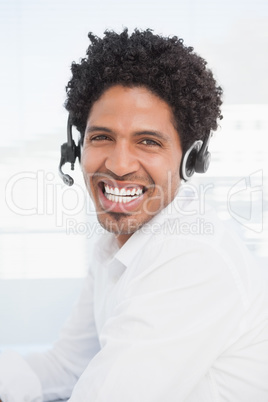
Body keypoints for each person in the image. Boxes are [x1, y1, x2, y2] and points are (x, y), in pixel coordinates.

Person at [0, 28, 267, 402]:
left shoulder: (194, 258)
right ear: (77, 148)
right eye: (101, 137)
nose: (119, 165)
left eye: (148, 142)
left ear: (190, 160)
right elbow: (67, 368)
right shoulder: (114, 242)